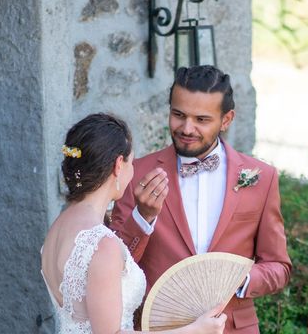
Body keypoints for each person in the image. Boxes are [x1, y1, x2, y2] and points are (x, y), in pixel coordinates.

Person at [111, 65, 291, 333]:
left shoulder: (261, 178)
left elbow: (279, 267)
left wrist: (241, 279)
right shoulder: (138, 174)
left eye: (202, 119)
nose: (187, 128)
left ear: (226, 119)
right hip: (160, 327)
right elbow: (115, 265)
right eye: (178, 115)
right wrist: (142, 217)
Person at [41, 113, 226, 334]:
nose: (133, 170)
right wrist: (195, 330)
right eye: (132, 162)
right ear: (119, 165)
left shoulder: (58, 227)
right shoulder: (101, 244)